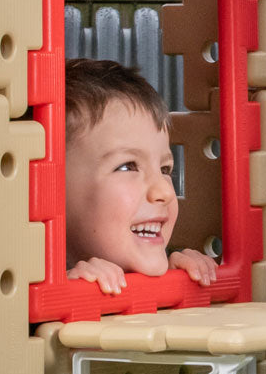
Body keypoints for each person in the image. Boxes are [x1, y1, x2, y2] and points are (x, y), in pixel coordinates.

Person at [64, 57, 217, 294]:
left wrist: (181, 291)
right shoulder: (22, 302)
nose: (165, 192)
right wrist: (69, 295)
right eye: (128, 167)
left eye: (165, 170)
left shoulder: (182, 270)